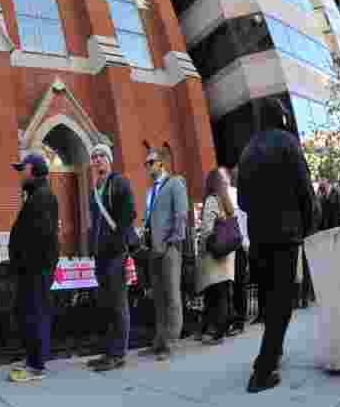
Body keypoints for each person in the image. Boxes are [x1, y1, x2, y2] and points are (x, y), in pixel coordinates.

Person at [237, 97, 315, 393]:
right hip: (286, 234)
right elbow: (304, 189)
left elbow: (242, 201)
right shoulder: (288, 143)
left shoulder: (247, 151)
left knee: (270, 299)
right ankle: (264, 369)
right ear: (281, 118)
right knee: (282, 300)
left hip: (259, 236)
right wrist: (308, 225)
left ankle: (272, 352)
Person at [7, 152, 59, 383]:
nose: (19, 174)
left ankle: (36, 365)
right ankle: (32, 358)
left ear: (33, 170)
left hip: (36, 268)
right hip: (32, 268)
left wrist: (27, 262)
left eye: (22, 169)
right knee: (29, 312)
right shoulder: (37, 194)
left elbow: (42, 236)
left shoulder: (43, 196)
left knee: (36, 312)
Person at [85, 143, 136, 372]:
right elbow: (94, 222)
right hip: (100, 254)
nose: (97, 160)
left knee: (118, 303)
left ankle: (119, 354)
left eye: (101, 156)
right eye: (94, 157)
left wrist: (118, 241)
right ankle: (108, 351)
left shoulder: (119, 182)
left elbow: (129, 214)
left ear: (109, 159)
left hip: (115, 252)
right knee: (106, 304)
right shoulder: (95, 186)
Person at [139, 147, 189, 361]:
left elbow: (181, 214)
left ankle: (170, 342)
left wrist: (173, 241)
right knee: (158, 297)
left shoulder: (175, 183)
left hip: (169, 248)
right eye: (146, 163)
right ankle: (159, 340)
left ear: (161, 163)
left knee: (172, 295)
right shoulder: (150, 191)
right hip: (153, 249)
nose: (148, 166)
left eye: (151, 162)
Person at [196, 168, 237, 344]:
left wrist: (202, 248)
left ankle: (217, 332)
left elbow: (206, 229)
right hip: (227, 254)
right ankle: (220, 328)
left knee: (215, 294)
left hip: (214, 254)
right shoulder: (226, 201)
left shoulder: (212, 200)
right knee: (223, 293)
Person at [228, 166, 250, 335]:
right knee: (240, 283)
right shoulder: (242, 195)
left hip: (235, 244)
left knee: (236, 283)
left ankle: (238, 319)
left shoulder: (231, 195)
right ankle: (240, 318)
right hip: (242, 243)